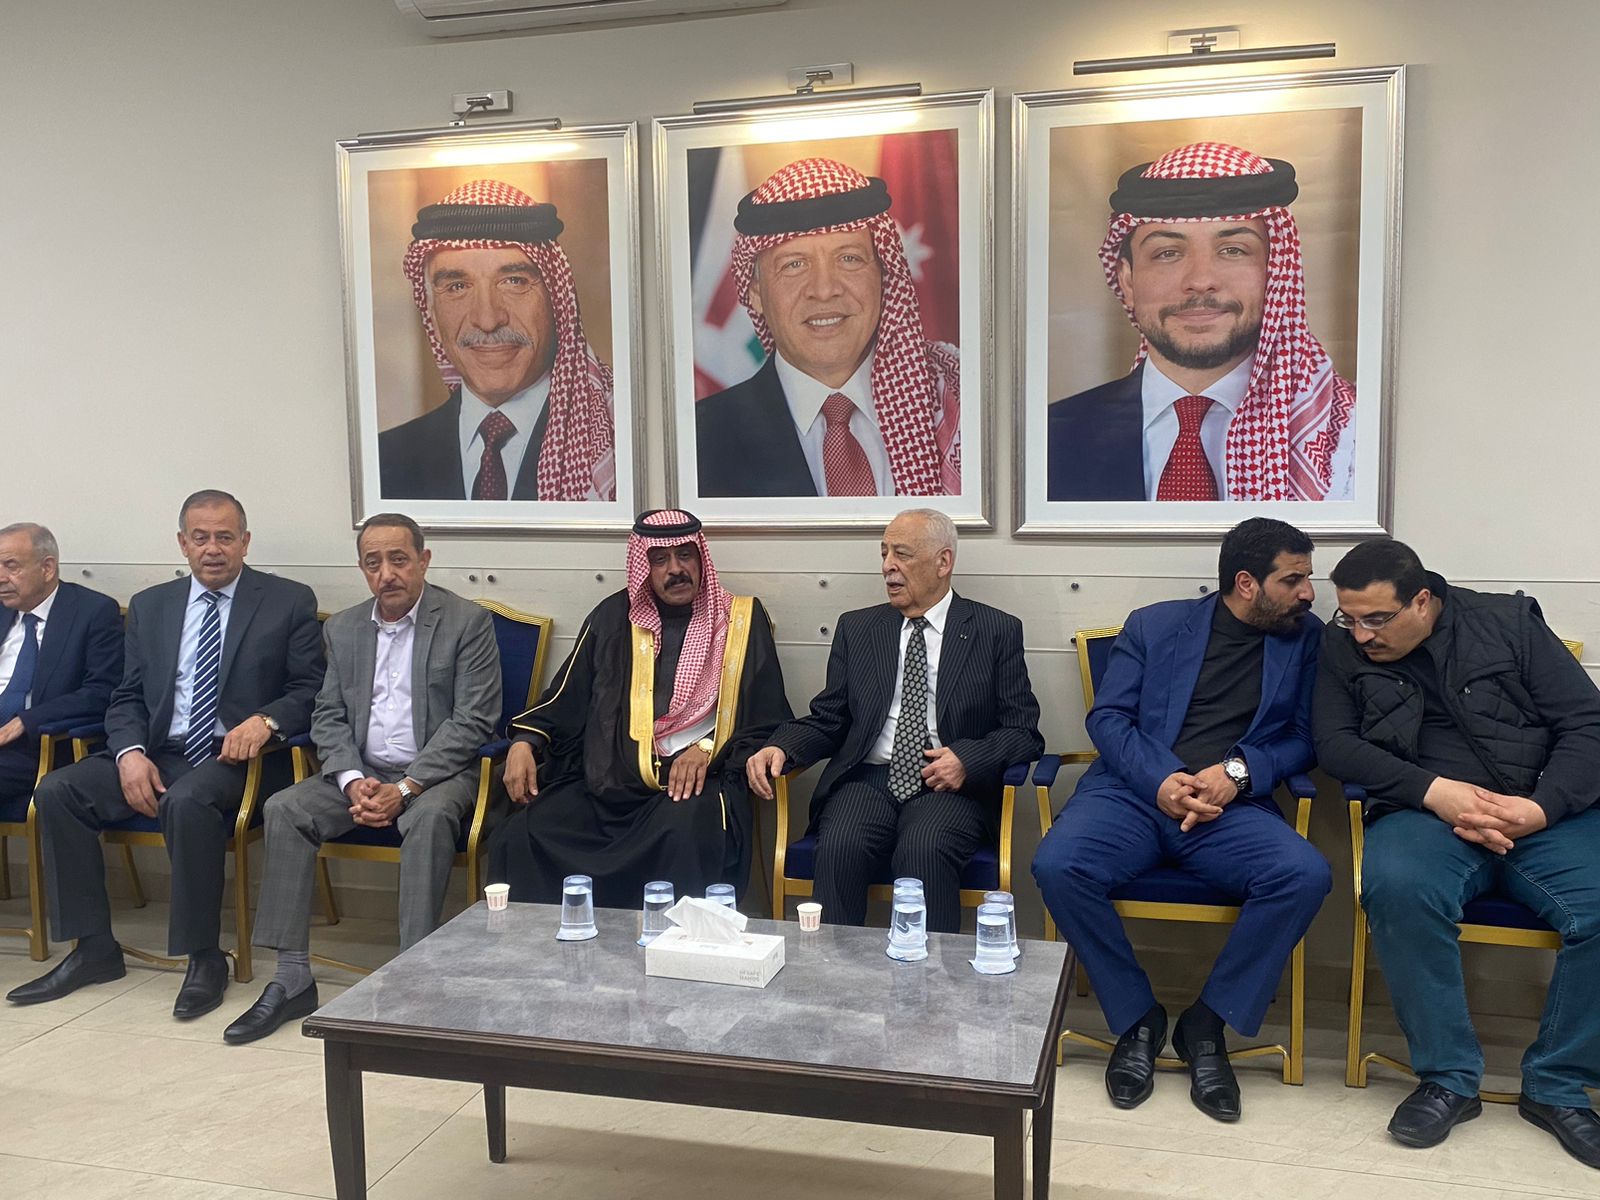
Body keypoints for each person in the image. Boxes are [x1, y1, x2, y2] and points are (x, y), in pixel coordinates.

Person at [1032, 517, 1330, 1122]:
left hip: (1229, 808)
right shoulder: (1155, 625)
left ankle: (1207, 1024)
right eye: (1293, 579)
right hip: (1132, 795)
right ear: (1247, 583)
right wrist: (1163, 780)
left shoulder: (1307, 639)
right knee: (1058, 864)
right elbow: (1108, 719)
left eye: (1308, 577)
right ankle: (1137, 1018)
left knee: (1304, 874)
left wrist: (1236, 774)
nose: (1308, 592)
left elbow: (1306, 739)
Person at [1315, 539, 1600, 1166]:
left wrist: (1541, 807)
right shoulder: (1341, 646)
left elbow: (1587, 724)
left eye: (1376, 619)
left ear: (1423, 600)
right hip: (1423, 814)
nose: (1361, 635)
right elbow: (1333, 743)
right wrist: (1434, 791)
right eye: (1349, 618)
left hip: (1537, 810)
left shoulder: (1508, 623)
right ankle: (1447, 1078)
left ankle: (1557, 1085)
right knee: (1398, 888)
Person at [8, 491, 322, 1019]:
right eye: (201, 538)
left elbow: (311, 687)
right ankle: (93, 948)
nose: (213, 549)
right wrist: (129, 752)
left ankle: (204, 956)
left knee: (187, 800)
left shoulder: (287, 600)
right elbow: (127, 694)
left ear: (245, 542)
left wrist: (266, 721)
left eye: (225, 537)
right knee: (58, 790)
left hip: (239, 758)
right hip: (160, 749)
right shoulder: (152, 606)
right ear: (182, 543)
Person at [224, 513, 501, 1045]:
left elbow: (473, 720)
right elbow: (327, 715)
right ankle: (291, 977)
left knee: (429, 818)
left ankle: (413, 977)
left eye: (399, 560)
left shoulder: (466, 622)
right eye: (373, 563)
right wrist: (352, 780)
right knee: (284, 808)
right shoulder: (344, 628)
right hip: (363, 772)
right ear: (361, 569)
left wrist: (406, 788)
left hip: (437, 775)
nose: (386, 574)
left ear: (423, 560)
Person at [748, 508, 1042, 933]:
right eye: (884, 553)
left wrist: (967, 759)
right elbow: (830, 717)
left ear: (943, 562)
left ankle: (930, 971)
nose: (888, 566)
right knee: (841, 845)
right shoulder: (858, 628)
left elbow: (1023, 732)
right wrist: (781, 746)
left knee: (925, 848)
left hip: (948, 786)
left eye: (902, 554)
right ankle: (835, 969)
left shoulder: (994, 630)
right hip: (868, 779)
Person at [489, 509, 790, 907]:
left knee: (685, 834)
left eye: (685, 555)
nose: (676, 569)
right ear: (642, 567)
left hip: (694, 783)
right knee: (521, 834)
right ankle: (554, 943)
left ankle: (669, 943)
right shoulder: (613, 617)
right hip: (610, 781)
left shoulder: (740, 620)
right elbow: (566, 696)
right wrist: (524, 742)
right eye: (660, 559)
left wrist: (707, 750)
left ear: (701, 559)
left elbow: (767, 718)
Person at [1047, 141, 1356, 503]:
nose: (1200, 280)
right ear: (1128, 282)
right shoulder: (1050, 438)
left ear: (1275, 273)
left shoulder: (1351, 438)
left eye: (1233, 250)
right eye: (1167, 253)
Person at [695, 157, 960, 498]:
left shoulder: (958, 405)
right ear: (755, 293)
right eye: (794, 264)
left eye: (849, 259)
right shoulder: (701, 440)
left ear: (884, 275)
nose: (824, 289)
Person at [379, 178, 616, 502]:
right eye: (457, 287)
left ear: (557, 300)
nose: (488, 319)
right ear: (431, 312)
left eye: (514, 281)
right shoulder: (386, 461)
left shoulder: (616, 442)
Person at [0, 523, 123, 802]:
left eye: (11, 566)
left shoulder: (93, 612)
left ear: (47, 568)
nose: (1, 577)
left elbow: (101, 692)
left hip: (38, 746)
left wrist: (25, 721)